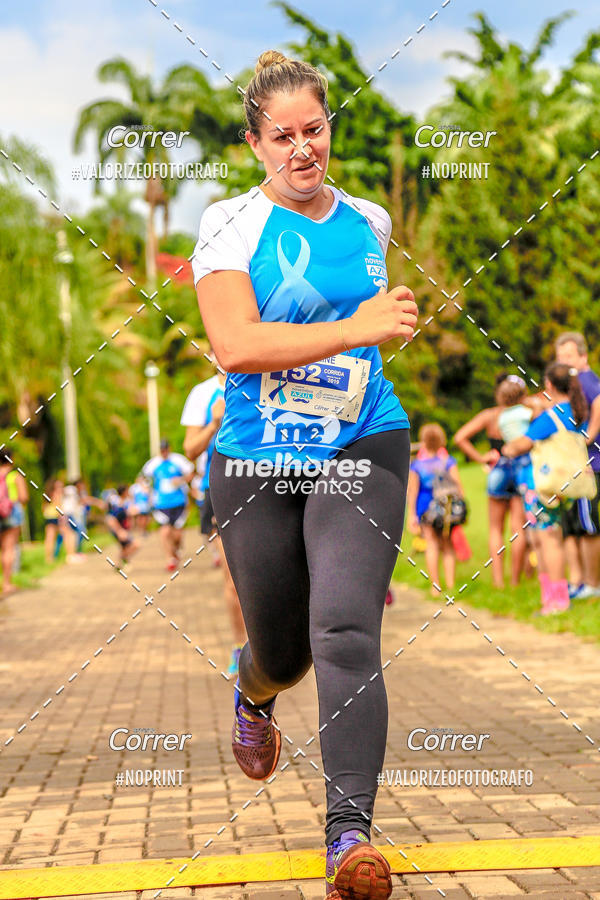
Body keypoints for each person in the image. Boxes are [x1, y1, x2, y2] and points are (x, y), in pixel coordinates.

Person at [193, 49, 418, 900]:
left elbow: (371, 326)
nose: (302, 148)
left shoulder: (369, 219)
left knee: (346, 632)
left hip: (363, 439)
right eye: (282, 135)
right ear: (255, 143)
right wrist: (358, 326)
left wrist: (370, 332)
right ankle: (253, 692)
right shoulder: (228, 223)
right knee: (283, 654)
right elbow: (236, 344)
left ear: (330, 128)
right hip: (257, 454)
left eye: (314, 129)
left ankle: (348, 838)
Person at [503, 362, 590, 614]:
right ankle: (550, 598)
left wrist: (507, 448)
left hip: (542, 487)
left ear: (549, 384)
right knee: (544, 538)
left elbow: (522, 443)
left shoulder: (552, 416)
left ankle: (557, 600)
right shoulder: (576, 411)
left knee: (547, 540)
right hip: (565, 484)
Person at [182, 366, 248, 676]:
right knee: (233, 578)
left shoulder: (269, 374)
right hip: (222, 485)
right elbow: (190, 449)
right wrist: (214, 424)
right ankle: (241, 647)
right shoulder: (203, 393)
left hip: (271, 479)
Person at [454, 374, 531, 588]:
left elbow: (459, 437)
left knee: (496, 529)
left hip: (498, 471)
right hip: (521, 469)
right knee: (518, 529)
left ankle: (498, 582)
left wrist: (481, 458)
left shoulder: (491, 415)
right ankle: (515, 581)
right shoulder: (526, 414)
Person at [555, 332, 600, 598]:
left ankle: (592, 584)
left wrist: (588, 437)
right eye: (560, 357)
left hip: (589, 465)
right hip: (572, 466)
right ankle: (579, 581)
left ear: (583, 357)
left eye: (569, 356)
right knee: (571, 526)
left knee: (587, 525)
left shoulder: (586, 379)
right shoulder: (571, 383)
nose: (564, 361)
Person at [407, 424, 465, 596]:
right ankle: (451, 584)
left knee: (431, 545)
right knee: (447, 545)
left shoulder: (417, 465)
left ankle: (435, 587)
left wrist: (411, 514)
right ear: (441, 440)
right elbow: (458, 487)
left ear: (423, 441)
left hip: (425, 508)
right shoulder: (448, 462)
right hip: (446, 508)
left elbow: (413, 491)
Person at [142, 438, 195, 571]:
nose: (164, 452)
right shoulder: (153, 463)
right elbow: (142, 478)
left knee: (177, 535)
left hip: (178, 502)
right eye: (161, 450)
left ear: (169, 449)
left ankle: (175, 551)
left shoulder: (178, 460)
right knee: (165, 531)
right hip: (161, 503)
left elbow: (191, 474)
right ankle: (169, 559)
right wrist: (146, 489)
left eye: (165, 449)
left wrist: (181, 480)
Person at [0, 450, 29, 595]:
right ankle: (6, 584)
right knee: (8, 549)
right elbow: (23, 497)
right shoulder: (14, 476)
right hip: (11, 512)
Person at [105, 484, 139, 567]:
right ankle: (120, 561)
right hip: (119, 530)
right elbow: (111, 519)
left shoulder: (125, 502)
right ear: (124, 492)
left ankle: (122, 563)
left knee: (125, 547)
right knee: (135, 545)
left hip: (123, 529)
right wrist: (119, 531)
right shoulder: (118, 504)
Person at [43, 477, 64, 564]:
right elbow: (58, 506)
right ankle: (50, 558)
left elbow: (44, 507)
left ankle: (49, 557)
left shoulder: (49, 494)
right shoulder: (57, 494)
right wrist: (62, 517)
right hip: (55, 516)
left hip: (48, 516)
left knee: (49, 538)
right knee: (52, 538)